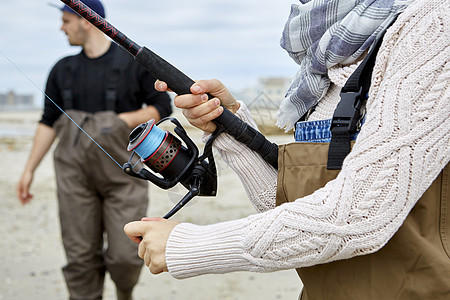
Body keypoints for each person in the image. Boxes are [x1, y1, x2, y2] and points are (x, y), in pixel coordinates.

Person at [124, 0, 449, 299]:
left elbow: (359, 216)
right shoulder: (323, 57)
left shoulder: (434, 25)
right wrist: (226, 126)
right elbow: (287, 204)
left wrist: (188, 246)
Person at [16, 1, 172, 299]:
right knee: (80, 256)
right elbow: (48, 123)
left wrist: (117, 121)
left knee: (126, 257)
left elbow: (160, 109)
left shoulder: (132, 63)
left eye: (66, 20)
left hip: (124, 176)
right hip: (73, 177)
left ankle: (124, 292)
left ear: (86, 20)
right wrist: (28, 170)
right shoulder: (62, 70)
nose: (62, 27)